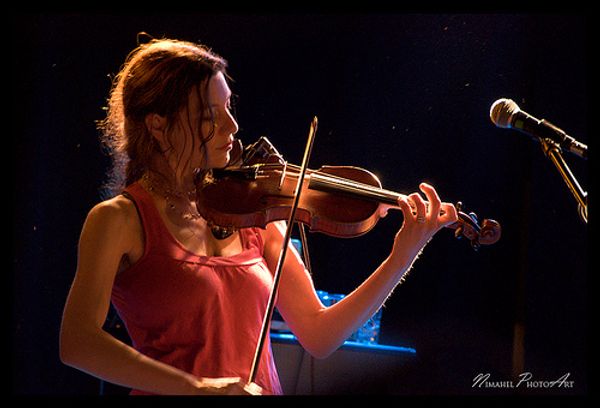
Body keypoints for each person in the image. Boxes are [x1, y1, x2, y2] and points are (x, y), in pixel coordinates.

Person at [59, 36, 458, 396]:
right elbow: (77, 342)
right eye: (209, 116)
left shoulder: (255, 215)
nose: (231, 126)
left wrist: (402, 254)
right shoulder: (118, 219)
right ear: (159, 126)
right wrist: (198, 388)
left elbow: (320, 334)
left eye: (228, 108)